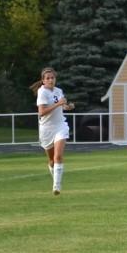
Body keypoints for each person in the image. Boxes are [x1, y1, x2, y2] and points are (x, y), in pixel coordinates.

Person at [31, 67, 73, 196]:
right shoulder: (42, 92)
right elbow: (42, 112)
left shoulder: (59, 91)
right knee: (51, 160)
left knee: (58, 156)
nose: (50, 80)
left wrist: (67, 106)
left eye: (52, 78)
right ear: (43, 81)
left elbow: (61, 106)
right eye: (48, 78)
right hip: (46, 129)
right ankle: (55, 179)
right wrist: (59, 104)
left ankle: (57, 186)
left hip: (60, 126)